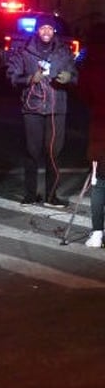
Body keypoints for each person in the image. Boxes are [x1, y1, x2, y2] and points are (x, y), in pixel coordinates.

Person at [6, 13, 78, 206]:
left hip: (56, 108)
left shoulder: (63, 52)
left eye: (49, 28)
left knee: (54, 152)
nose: (46, 32)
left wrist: (68, 77)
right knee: (32, 151)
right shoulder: (24, 51)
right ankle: (30, 195)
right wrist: (30, 79)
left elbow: (76, 76)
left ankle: (51, 196)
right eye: (42, 28)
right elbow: (12, 76)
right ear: (37, 30)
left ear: (54, 31)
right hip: (33, 107)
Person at [78, 24, 105, 247]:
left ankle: (97, 233)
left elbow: (84, 96)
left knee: (99, 184)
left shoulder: (91, 67)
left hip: (100, 134)